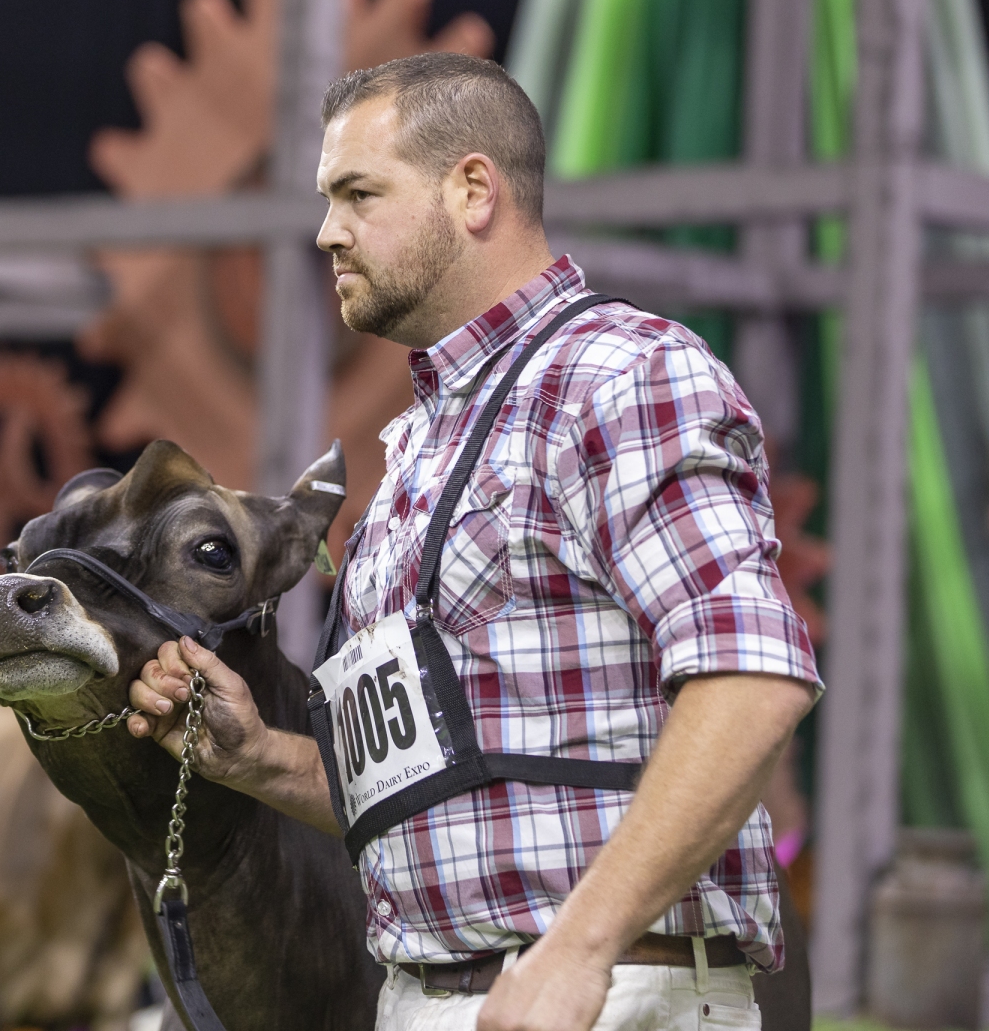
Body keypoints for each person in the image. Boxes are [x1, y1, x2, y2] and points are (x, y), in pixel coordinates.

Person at [127, 52, 822, 1031]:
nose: (327, 231)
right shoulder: (423, 440)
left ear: (473, 191)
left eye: (358, 194)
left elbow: (753, 678)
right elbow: (444, 794)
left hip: (604, 997)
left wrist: (579, 952)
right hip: (432, 998)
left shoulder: (620, 374)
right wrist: (261, 760)